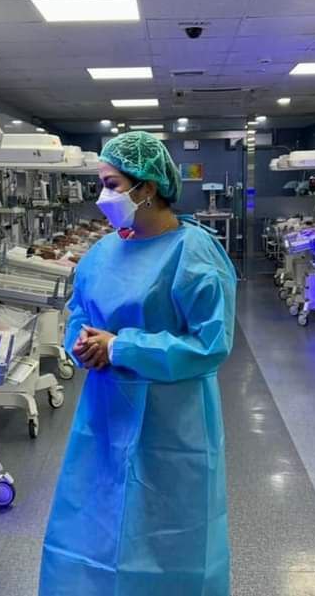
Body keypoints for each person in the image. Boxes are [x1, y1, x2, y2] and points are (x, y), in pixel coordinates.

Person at [39, 131, 237, 596]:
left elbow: (211, 343)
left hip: (174, 424)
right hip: (105, 417)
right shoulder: (103, 252)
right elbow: (80, 312)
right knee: (97, 526)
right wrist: (82, 344)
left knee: (172, 537)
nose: (103, 196)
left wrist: (121, 348)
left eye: (112, 184)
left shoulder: (193, 252)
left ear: (147, 187)